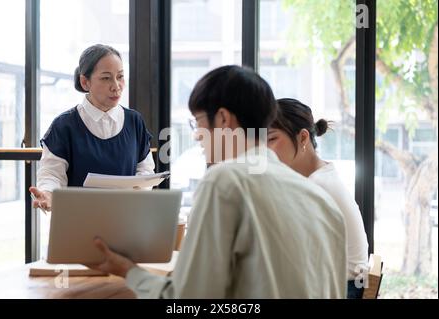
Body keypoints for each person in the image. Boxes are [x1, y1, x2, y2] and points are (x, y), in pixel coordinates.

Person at [88, 65, 347, 298]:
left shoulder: (225, 181)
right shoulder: (321, 201)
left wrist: (129, 271)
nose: (198, 136)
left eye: (198, 122)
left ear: (223, 119)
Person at [29, 44, 155, 211]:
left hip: (125, 218)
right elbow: (52, 174)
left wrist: (133, 195)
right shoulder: (64, 125)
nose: (116, 86)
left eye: (120, 76)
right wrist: (49, 195)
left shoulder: (134, 121)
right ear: (85, 82)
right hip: (78, 221)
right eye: (106, 78)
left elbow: (145, 169)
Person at [267, 98, 369, 299]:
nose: (264, 150)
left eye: (271, 139)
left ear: (303, 138)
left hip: (341, 290)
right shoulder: (320, 175)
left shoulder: (316, 186)